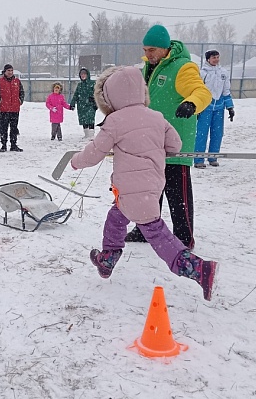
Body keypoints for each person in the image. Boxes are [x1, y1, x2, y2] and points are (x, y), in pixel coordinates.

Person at [71, 66, 218, 301]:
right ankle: (107, 259)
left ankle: (199, 269)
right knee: (116, 218)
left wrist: (76, 161)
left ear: (110, 96)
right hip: (150, 184)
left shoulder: (115, 121)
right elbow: (175, 146)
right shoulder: (156, 117)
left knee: (157, 235)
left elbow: (94, 153)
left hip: (131, 189)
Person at [123, 25, 211, 248]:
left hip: (175, 143)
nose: (148, 54)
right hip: (150, 142)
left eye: (152, 50)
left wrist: (191, 104)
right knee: (149, 191)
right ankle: (145, 231)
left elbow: (202, 92)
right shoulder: (146, 68)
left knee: (177, 195)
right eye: (145, 50)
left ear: (164, 49)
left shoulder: (182, 67)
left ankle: (184, 237)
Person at [194, 50, 234, 168]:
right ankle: (198, 159)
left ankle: (213, 157)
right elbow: (198, 91)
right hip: (205, 107)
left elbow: (226, 91)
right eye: (213, 58)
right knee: (202, 133)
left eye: (217, 57)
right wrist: (197, 107)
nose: (216, 59)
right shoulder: (202, 73)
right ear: (208, 59)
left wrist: (230, 107)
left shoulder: (224, 73)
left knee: (217, 133)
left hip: (219, 108)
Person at [0, 64, 24, 152]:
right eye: (8, 70)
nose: (10, 72)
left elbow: (22, 92)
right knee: (4, 128)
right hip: (5, 109)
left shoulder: (17, 81)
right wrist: (0, 101)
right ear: (4, 71)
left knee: (14, 128)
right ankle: (3, 145)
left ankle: (13, 145)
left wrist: (20, 100)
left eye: (11, 70)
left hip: (15, 108)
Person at [70, 67, 97, 139]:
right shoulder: (80, 85)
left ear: (87, 74)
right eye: (81, 74)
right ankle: (86, 134)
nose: (83, 75)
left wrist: (96, 103)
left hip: (91, 105)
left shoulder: (93, 83)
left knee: (90, 119)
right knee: (83, 120)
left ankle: (91, 135)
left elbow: (97, 93)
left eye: (84, 74)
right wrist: (72, 104)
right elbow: (76, 95)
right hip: (81, 106)